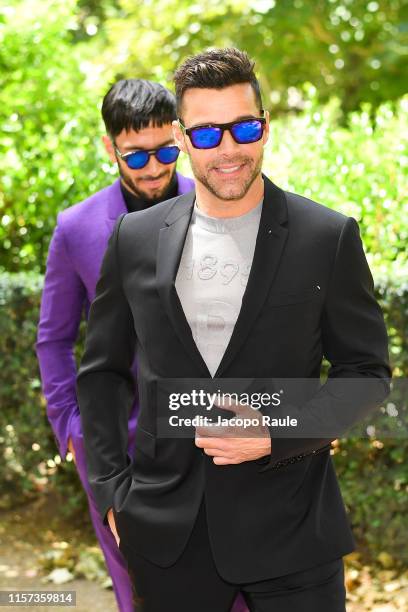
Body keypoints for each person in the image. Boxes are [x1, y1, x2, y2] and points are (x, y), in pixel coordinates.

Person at [75, 49, 391, 612]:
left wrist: (278, 430)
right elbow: (100, 373)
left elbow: (367, 376)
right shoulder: (135, 238)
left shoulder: (328, 236)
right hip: (166, 538)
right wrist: (112, 496)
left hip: (294, 532)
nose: (227, 149)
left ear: (265, 128)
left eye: (243, 127)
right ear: (180, 135)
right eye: (205, 134)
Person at [35, 79, 196, 612]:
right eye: (136, 155)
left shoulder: (220, 203)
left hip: (209, 433)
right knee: (141, 593)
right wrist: (72, 431)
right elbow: (54, 339)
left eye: (166, 151)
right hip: (113, 448)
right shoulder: (75, 227)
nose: (153, 168)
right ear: (110, 147)